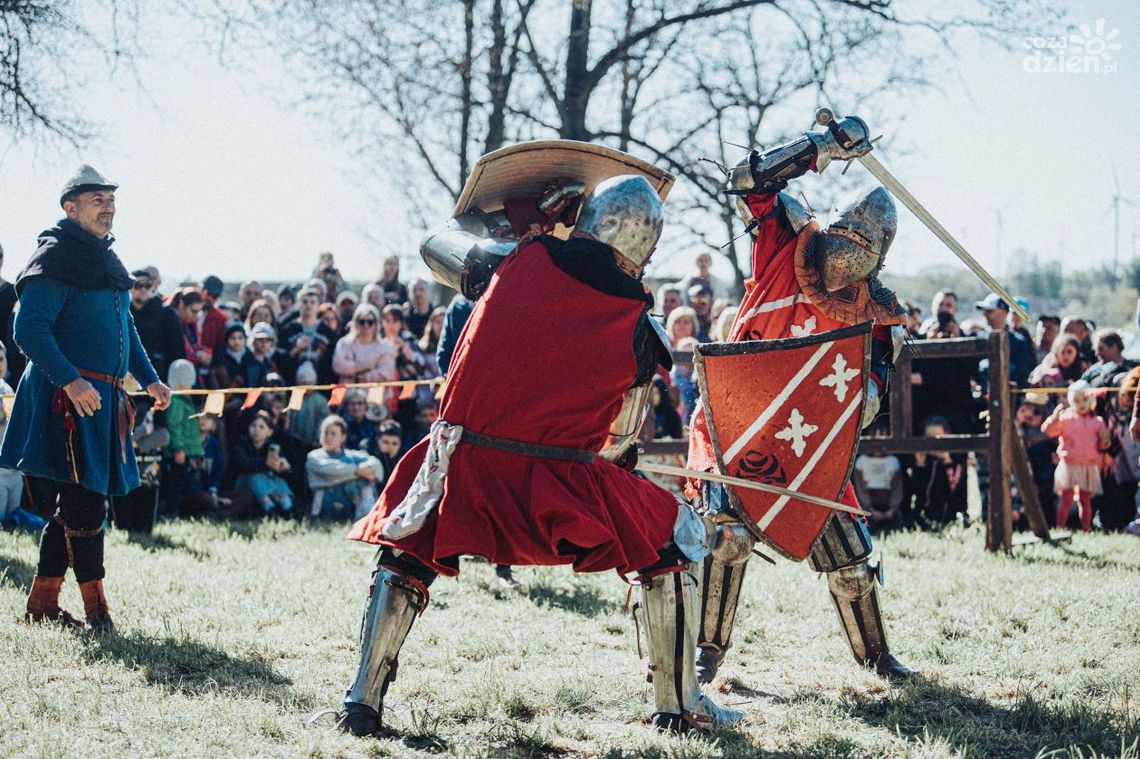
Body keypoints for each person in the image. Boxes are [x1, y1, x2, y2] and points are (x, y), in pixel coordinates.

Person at [335, 171, 741, 736]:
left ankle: (361, 702)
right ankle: (679, 705)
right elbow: (616, 446)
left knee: (409, 549)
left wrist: (531, 217)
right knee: (680, 537)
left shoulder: (508, 261)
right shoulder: (641, 329)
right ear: (646, 249)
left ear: (587, 221)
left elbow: (434, 244)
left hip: (462, 471)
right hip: (559, 489)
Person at [685, 117, 916, 683]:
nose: (838, 269)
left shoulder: (877, 314)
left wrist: (868, 395)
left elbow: (876, 383)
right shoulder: (785, 246)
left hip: (808, 446)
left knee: (852, 561)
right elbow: (749, 181)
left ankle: (876, 656)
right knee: (727, 533)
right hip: (732, 429)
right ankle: (704, 651)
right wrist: (821, 148)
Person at [0, 165, 171, 631]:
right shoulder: (56, 257)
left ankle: (42, 604)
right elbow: (28, 329)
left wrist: (149, 378)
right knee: (86, 504)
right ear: (69, 208)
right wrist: (72, 381)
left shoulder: (106, 262)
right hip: (67, 400)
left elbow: (125, 329)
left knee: (78, 502)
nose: (108, 205)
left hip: (102, 400)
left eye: (111, 198)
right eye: (96, 198)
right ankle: (98, 612)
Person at [1042, 381, 1109, 532]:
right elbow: (1048, 431)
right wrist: (1054, 418)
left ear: (1091, 399)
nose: (1081, 404)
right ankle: (1060, 528)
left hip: (1088, 465)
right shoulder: (1066, 419)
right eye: (1077, 400)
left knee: (1085, 500)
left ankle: (1086, 529)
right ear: (1071, 401)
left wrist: (1105, 440)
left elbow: (1103, 445)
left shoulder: (1097, 422)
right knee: (1066, 499)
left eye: (1084, 399)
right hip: (1069, 464)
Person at [306, 415, 384, 520]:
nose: (328, 437)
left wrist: (366, 469)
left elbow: (376, 464)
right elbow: (332, 470)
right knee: (357, 475)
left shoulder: (351, 455)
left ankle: (365, 510)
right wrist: (359, 471)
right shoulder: (314, 456)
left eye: (333, 434)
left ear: (343, 437)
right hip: (328, 503)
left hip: (350, 503)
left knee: (359, 467)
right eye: (325, 433)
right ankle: (365, 512)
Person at [161, 360, 203, 517]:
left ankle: (180, 511)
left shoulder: (184, 400)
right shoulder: (177, 401)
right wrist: (179, 448)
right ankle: (172, 512)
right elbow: (174, 425)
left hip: (187, 448)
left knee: (184, 482)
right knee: (176, 483)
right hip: (179, 451)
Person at [234, 409, 294, 518]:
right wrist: (266, 463)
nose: (256, 430)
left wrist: (283, 466)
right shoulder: (242, 444)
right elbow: (244, 464)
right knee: (254, 477)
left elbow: (285, 470)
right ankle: (268, 507)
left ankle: (287, 505)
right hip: (244, 483)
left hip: (268, 482)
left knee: (278, 480)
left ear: (269, 432)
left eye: (261, 427)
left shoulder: (273, 447)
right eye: (253, 426)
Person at [910, 416, 968, 527]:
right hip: (925, 514)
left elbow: (957, 492)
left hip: (951, 513)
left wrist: (947, 462)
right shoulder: (925, 460)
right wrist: (920, 465)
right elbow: (916, 491)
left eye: (938, 439)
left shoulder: (957, 460)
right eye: (929, 439)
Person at [277, 287, 337, 385]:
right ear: (298, 305)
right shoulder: (287, 330)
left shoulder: (327, 332)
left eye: (312, 302)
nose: (308, 306)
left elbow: (332, 362)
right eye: (305, 302)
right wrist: (295, 350)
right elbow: (279, 360)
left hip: (320, 388)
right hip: (293, 387)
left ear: (318, 307)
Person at [975, 293, 1033, 388]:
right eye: (985, 311)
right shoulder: (978, 338)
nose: (985, 315)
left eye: (990, 311)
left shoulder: (1019, 342)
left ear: (1003, 312)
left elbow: (1022, 374)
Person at [332, 304, 397, 387]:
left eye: (370, 322)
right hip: (349, 393)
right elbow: (339, 366)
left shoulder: (384, 347)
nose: (366, 325)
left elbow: (386, 373)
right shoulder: (345, 343)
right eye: (362, 322)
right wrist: (368, 365)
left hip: (375, 394)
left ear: (376, 324)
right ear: (356, 323)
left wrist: (362, 377)